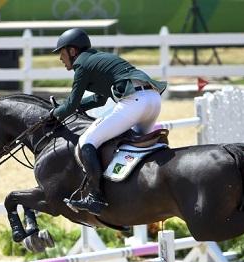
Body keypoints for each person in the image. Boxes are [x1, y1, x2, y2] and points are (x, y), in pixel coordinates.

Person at [50, 28, 167, 216]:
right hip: (153, 99)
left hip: (134, 102)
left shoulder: (82, 64)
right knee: (137, 148)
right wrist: (73, 108)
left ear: (72, 51)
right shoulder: (99, 58)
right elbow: (99, 100)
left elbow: (71, 105)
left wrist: (53, 114)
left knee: (87, 141)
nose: (60, 58)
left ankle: (96, 197)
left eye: (62, 52)